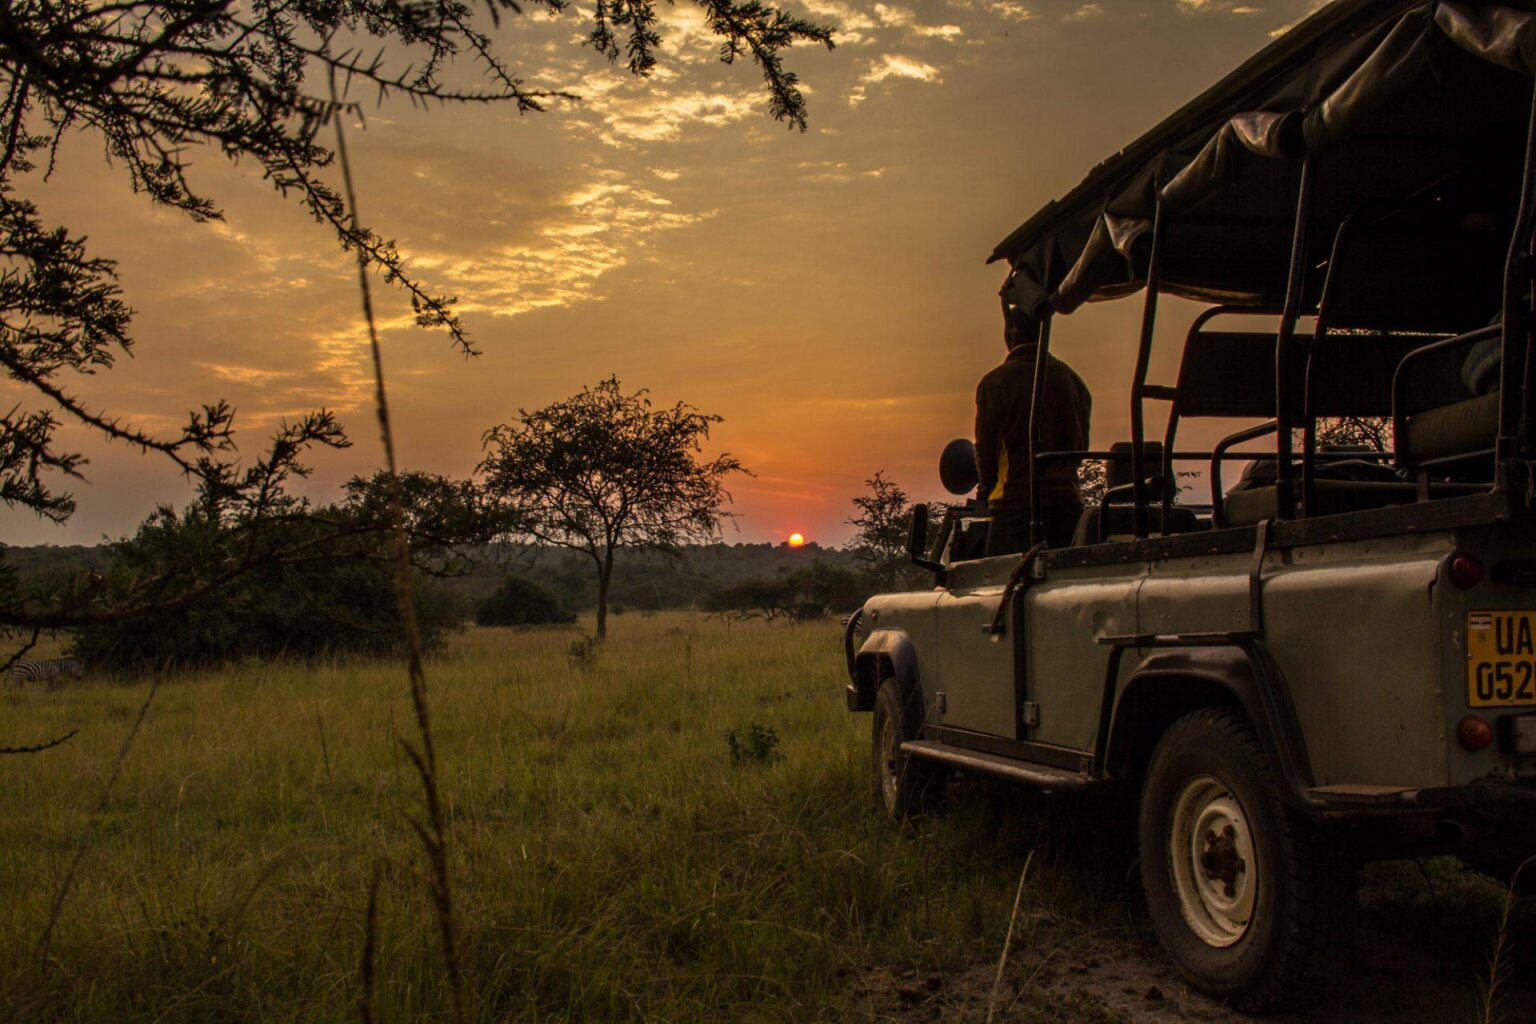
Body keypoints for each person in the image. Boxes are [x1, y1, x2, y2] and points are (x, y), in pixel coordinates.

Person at [975, 311, 1092, 554]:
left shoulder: (995, 383)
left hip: (1015, 509)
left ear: (1010, 335)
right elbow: (1081, 449)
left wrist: (986, 489)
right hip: (1068, 507)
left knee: (998, 587)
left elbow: (986, 453)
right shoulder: (1073, 381)